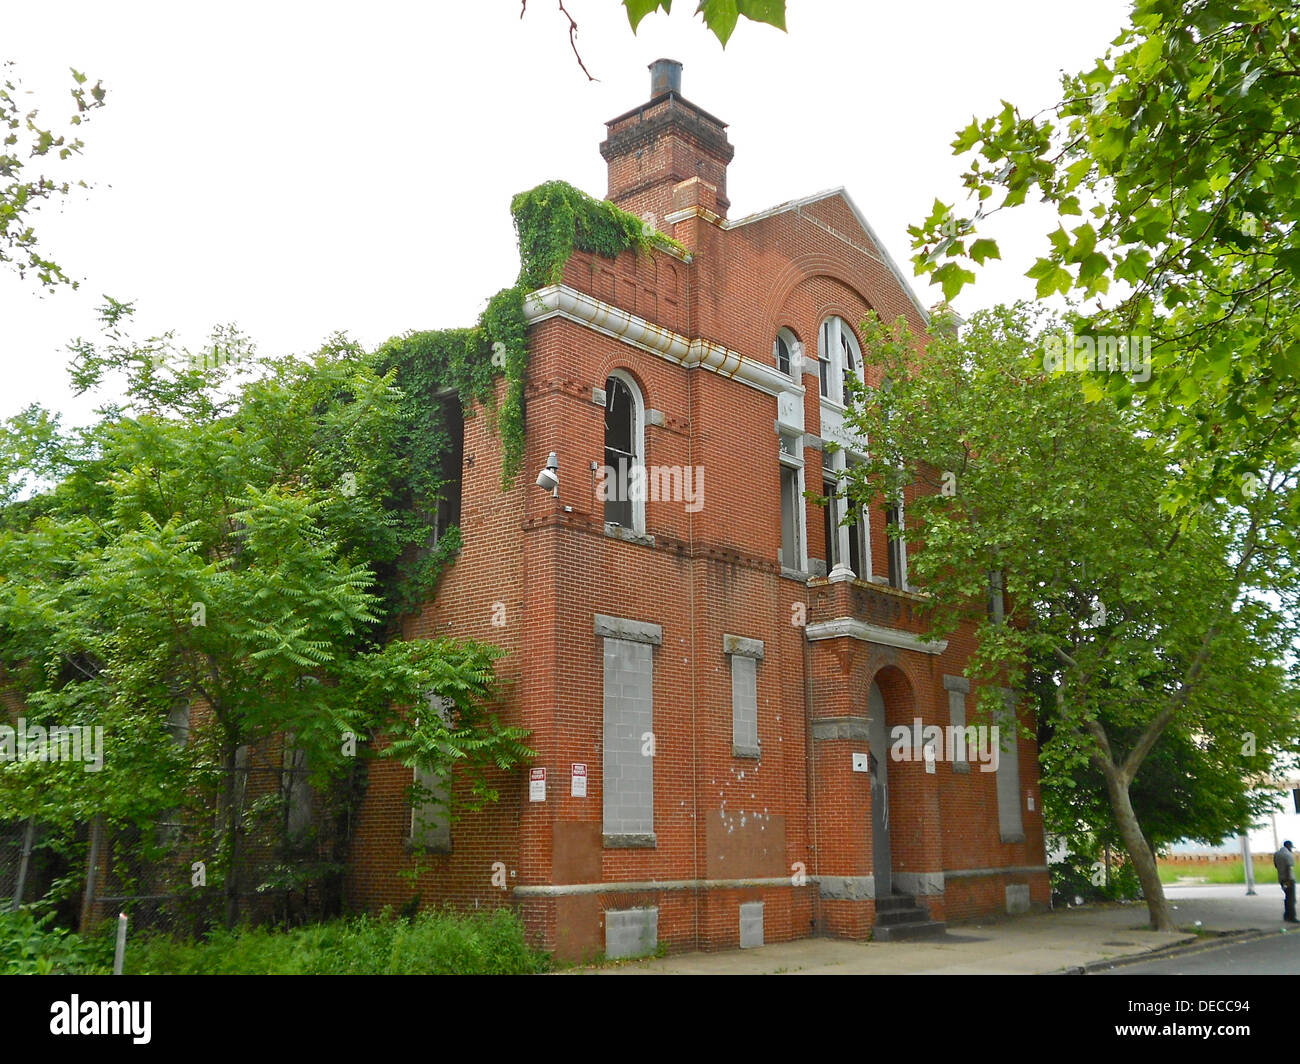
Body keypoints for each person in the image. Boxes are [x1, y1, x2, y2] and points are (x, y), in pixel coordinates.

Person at [1274, 840, 1297, 923]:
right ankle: (1291, 917)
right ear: (1289, 846)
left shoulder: (1277, 854)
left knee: (1287, 896)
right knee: (1291, 898)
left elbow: (1275, 865)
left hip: (1281, 879)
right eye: (1291, 847)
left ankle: (1286, 915)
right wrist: (1288, 880)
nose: (1292, 849)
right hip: (1289, 879)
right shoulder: (1288, 855)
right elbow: (1289, 867)